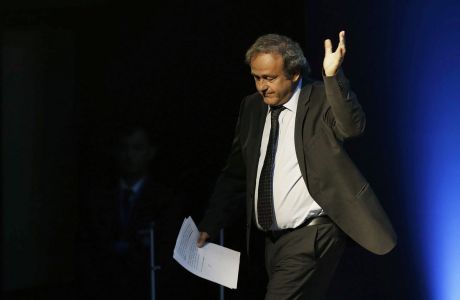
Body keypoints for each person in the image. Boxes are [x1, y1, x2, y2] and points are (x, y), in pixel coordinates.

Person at [196, 31, 397, 299]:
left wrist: (332, 77)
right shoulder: (252, 107)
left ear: (294, 74)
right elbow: (236, 174)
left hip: (312, 234)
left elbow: (352, 128)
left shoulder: (320, 97)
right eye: (256, 77)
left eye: (269, 78)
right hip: (271, 243)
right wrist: (211, 223)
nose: (261, 86)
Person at [78, 124, 184, 299]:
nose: (129, 155)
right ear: (115, 152)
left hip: (149, 288)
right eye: (124, 148)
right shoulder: (97, 197)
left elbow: (167, 252)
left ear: (151, 152)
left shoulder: (167, 199)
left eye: (137, 148)